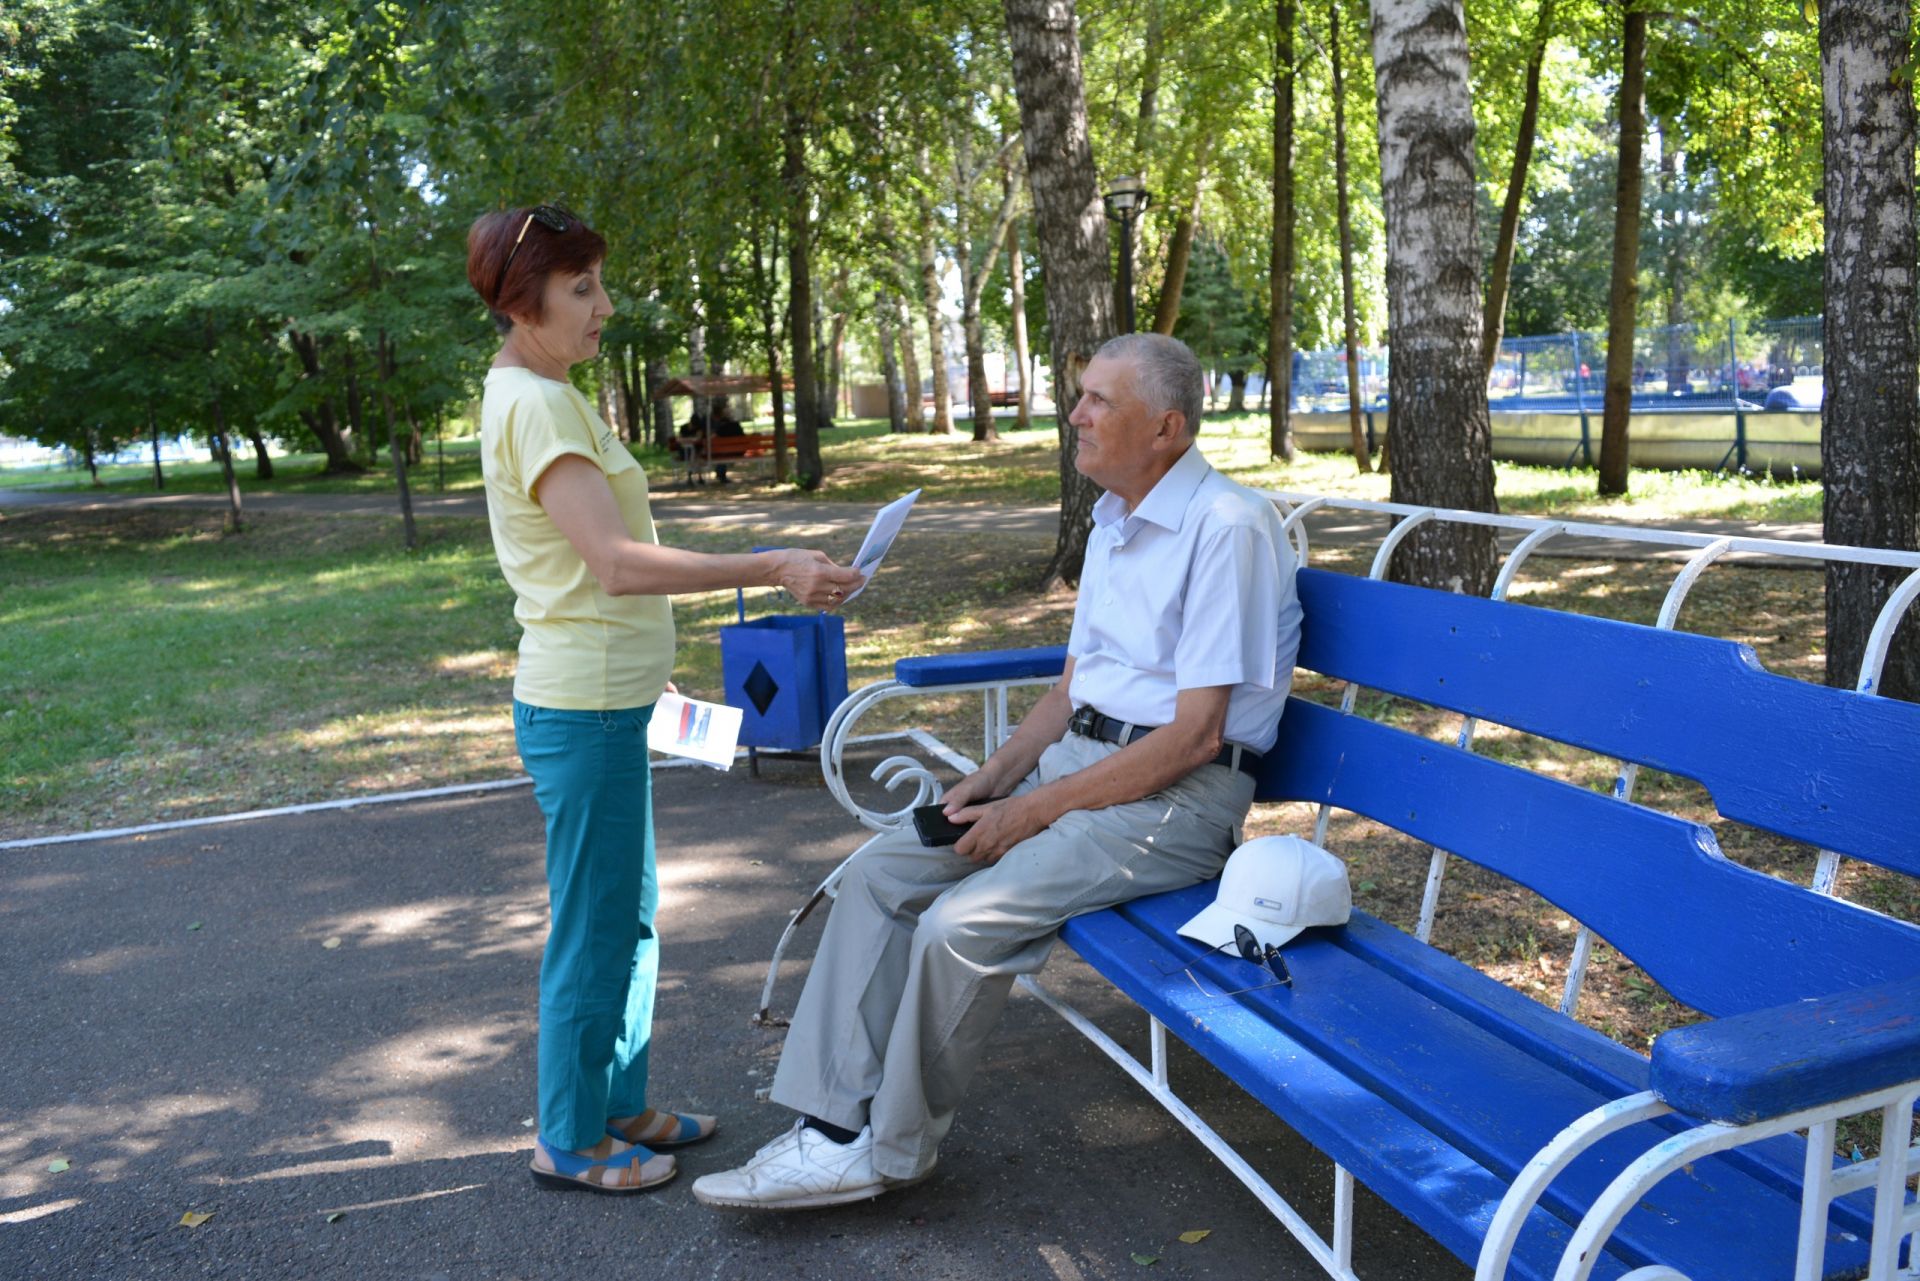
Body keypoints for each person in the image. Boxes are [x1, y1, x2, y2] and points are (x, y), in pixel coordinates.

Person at [691, 332, 1304, 1211]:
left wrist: (1036, 810)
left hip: (1175, 799)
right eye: (1080, 393)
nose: (1076, 413)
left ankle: (891, 1152)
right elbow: (1069, 691)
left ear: (1167, 428)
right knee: (879, 874)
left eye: (1100, 400)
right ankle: (829, 1129)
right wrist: (994, 778)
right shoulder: (1114, 520)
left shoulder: (1228, 528)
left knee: (958, 923)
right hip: (1080, 769)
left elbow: (1194, 738)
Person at [464, 205, 865, 1196]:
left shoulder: (549, 391)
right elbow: (612, 564)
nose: (605, 306)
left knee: (630, 917)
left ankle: (618, 1104)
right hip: (584, 707)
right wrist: (771, 562)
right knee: (594, 924)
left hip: (616, 694)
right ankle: (567, 1134)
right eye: (582, 289)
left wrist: (661, 686)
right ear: (524, 303)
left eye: (600, 282)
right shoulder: (538, 406)